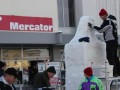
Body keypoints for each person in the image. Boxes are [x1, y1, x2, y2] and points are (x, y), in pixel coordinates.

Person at [89, 8, 120, 76]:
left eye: (101, 16)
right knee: (115, 57)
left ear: (105, 15)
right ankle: (118, 72)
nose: (100, 17)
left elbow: (101, 30)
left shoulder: (107, 21)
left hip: (110, 41)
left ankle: (114, 72)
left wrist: (93, 26)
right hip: (115, 41)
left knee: (110, 57)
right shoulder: (112, 19)